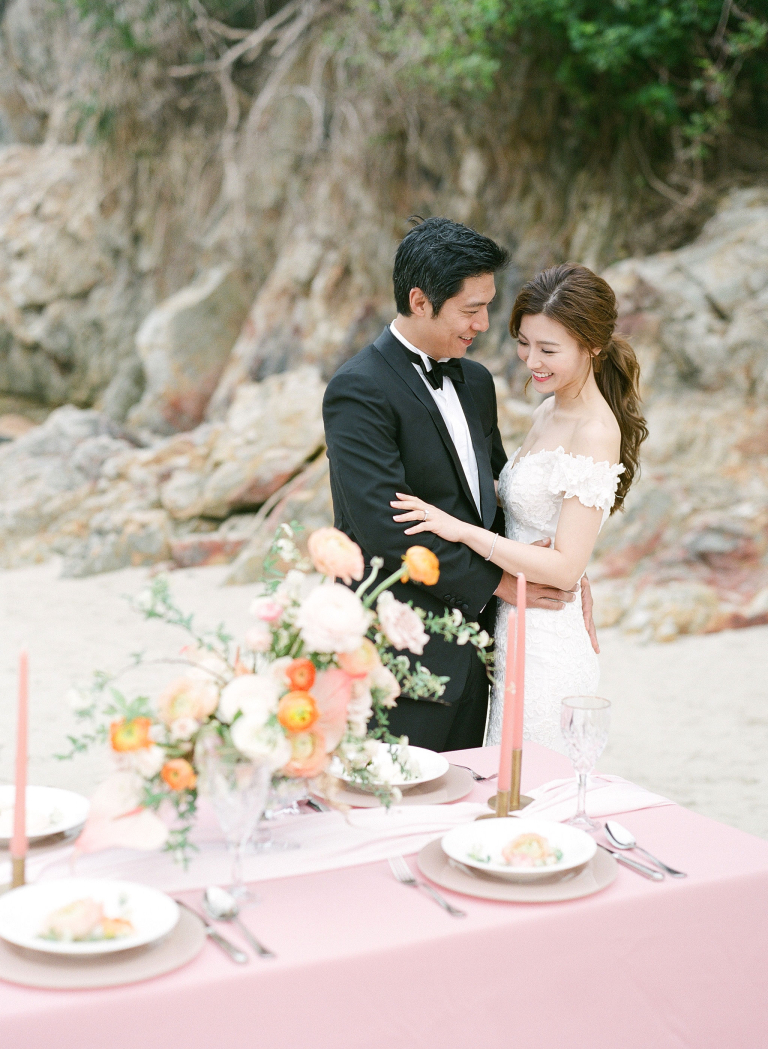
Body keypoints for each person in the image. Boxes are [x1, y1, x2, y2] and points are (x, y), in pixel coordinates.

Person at [323, 220, 594, 752]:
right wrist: (497, 583)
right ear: (420, 301)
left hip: (485, 652)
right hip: (401, 656)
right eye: (471, 310)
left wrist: (564, 568)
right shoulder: (358, 389)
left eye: (487, 306)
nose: (483, 324)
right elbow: (385, 530)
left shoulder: (475, 382)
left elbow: (500, 498)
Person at [391, 262, 648, 753]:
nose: (532, 361)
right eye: (524, 343)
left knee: (533, 777)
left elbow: (566, 566)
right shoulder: (548, 409)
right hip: (512, 626)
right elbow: (524, 508)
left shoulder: (595, 431)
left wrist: (463, 531)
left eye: (548, 350)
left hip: (548, 638)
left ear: (592, 346)